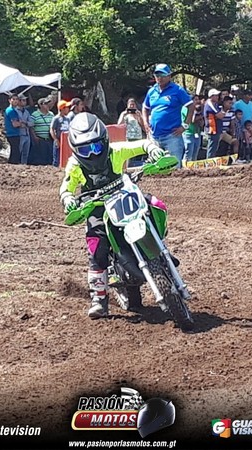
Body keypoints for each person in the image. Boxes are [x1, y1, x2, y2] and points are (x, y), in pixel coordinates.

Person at [59, 112, 169, 319]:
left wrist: (153, 149)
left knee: (153, 205)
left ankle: (160, 246)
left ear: (104, 141)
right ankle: (99, 297)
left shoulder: (115, 151)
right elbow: (66, 186)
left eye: (96, 147)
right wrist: (68, 199)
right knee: (97, 245)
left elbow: (141, 145)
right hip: (96, 206)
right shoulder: (75, 165)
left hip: (124, 196)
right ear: (75, 149)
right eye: (85, 150)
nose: (92, 154)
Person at [142, 63, 193, 168]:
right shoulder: (151, 91)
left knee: (174, 168)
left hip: (172, 137)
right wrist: (145, 123)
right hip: (154, 137)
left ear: (169, 76)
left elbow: (191, 106)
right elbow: (145, 108)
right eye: (157, 75)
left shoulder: (177, 90)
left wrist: (185, 126)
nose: (159, 78)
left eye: (162, 75)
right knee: (155, 168)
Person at [30, 97, 55, 165]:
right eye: (46, 103)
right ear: (40, 105)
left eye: (48, 103)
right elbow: (31, 126)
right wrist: (35, 137)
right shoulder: (35, 114)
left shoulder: (51, 114)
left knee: (49, 157)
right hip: (40, 139)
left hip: (49, 139)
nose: (48, 105)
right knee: (40, 158)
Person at [50, 100, 71, 167]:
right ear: (62, 109)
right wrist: (56, 140)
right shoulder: (56, 118)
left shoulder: (67, 119)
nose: (68, 109)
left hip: (66, 140)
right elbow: (52, 129)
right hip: (59, 139)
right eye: (67, 107)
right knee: (57, 158)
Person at [4, 94, 22, 164]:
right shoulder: (11, 111)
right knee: (15, 152)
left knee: (14, 151)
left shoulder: (13, 110)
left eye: (16, 99)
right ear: (9, 100)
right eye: (13, 99)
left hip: (14, 133)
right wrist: (22, 124)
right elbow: (15, 124)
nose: (15, 101)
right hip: (12, 134)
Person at [17, 93, 34, 164]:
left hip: (27, 134)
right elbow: (17, 123)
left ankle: (24, 166)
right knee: (18, 152)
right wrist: (24, 123)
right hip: (19, 134)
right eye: (23, 100)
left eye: (25, 100)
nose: (25, 102)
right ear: (19, 101)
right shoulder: (15, 111)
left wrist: (25, 123)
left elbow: (32, 123)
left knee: (25, 154)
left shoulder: (26, 112)